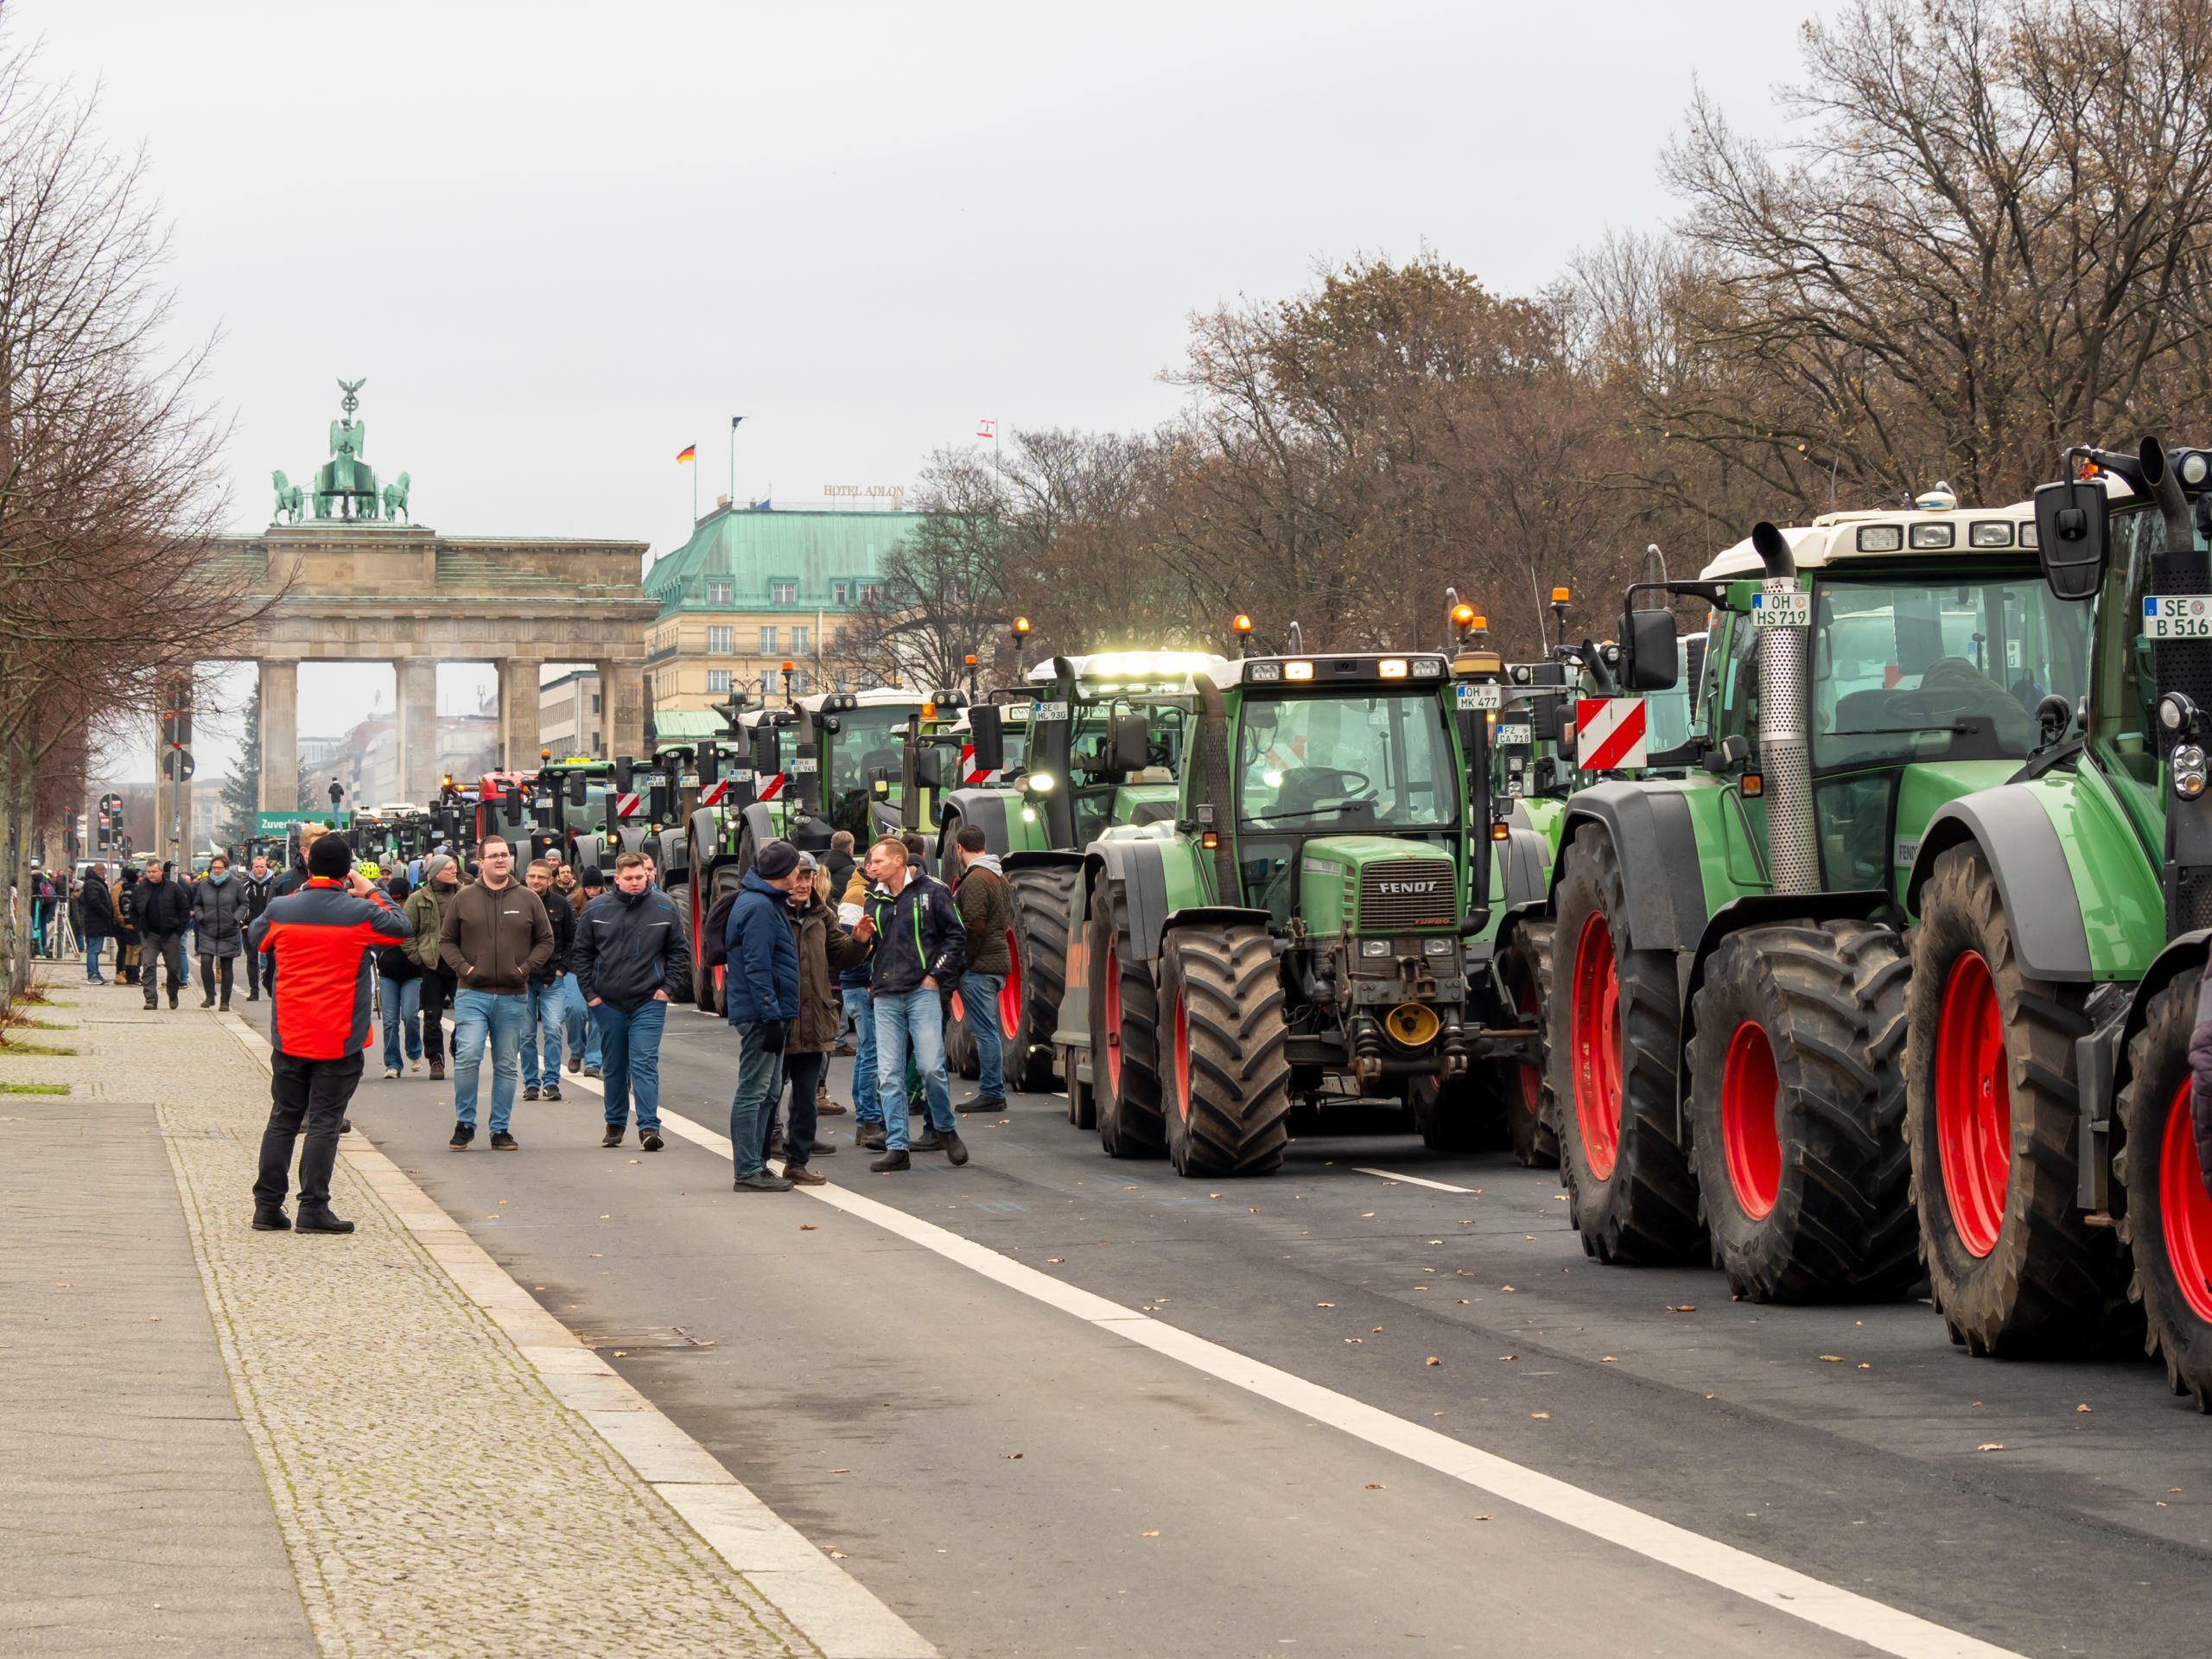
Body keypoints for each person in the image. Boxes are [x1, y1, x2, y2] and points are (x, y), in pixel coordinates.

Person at [249, 834, 410, 1235]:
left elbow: (255, 939)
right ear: (346, 870)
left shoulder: (282, 908)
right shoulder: (358, 911)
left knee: (283, 1119)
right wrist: (372, 889)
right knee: (324, 1121)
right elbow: (401, 928)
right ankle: (313, 1208)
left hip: (290, 1033)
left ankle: (267, 1207)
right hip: (338, 1036)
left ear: (308, 866)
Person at [858, 835, 968, 1173]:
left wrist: (935, 976)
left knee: (931, 1067)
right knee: (889, 1074)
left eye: (876, 861)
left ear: (897, 861)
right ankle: (897, 1146)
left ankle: (945, 1129)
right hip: (887, 994)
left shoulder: (932, 891)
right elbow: (867, 949)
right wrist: (859, 942)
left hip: (922, 992)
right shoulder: (872, 899)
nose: (870, 867)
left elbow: (956, 934)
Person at [438, 836, 553, 1151]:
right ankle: (465, 1123)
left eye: (505, 855)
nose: (501, 860)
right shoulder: (463, 899)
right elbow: (446, 941)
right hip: (472, 993)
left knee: (505, 1063)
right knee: (469, 1055)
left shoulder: (528, 898)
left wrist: (524, 969)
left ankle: (500, 1129)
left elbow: (546, 940)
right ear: (481, 861)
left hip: (513, 995)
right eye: (494, 856)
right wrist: (466, 969)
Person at [574, 851, 690, 1151]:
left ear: (647, 875)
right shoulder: (597, 909)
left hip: (649, 999)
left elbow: (679, 951)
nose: (636, 882)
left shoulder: (665, 906)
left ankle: (649, 1126)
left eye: (640, 877)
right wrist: (591, 995)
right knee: (614, 1065)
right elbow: (583, 954)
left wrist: (668, 988)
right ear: (617, 879)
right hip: (608, 1001)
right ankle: (614, 1123)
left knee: (644, 1061)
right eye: (629, 878)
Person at [774, 854, 869, 1185]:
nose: (802, 884)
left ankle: (797, 1161)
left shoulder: (822, 914)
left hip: (814, 1018)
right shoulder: (770, 913)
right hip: (780, 1020)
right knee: (769, 1092)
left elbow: (842, 957)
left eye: (808, 877)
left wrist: (858, 941)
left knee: (805, 1096)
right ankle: (761, 1154)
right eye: (797, 877)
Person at [725, 838, 804, 1191]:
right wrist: (771, 1015)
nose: (800, 876)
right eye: (797, 870)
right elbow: (758, 967)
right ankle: (747, 1170)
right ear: (786, 873)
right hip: (761, 1013)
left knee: (769, 1090)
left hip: (768, 1010)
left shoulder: (762, 901)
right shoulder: (758, 907)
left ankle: (756, 1164)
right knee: (754, 1090)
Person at [950, 824, 1013, 1113]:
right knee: (989, 1029)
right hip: (994, 961)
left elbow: (974, 924)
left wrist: (964, 960)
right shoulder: (998, 876)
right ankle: (992, 1090)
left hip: (980, 965)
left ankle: (991, 1091)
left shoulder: (976, 879)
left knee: (985, 1031)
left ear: (960, 849)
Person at [519, 857, 573, 1102]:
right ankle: (531, 1083)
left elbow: (573, 939)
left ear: (551, 880)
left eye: (541, 877)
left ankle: (551, 1081)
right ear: (525, 877)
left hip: (553, 979)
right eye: (532, 876)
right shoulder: (516, 902)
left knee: (552, 1030)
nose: (536, 881)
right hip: (522, 981)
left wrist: (562, 968)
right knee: (526, 1035)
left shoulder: (561, 904)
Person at [404, 854, 462, 1079]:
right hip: (433, 966)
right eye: (449, 868)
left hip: (461, 966)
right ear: (436, 873)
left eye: (455, 867)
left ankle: (458, 1049)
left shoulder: (466, 894)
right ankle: (435, 1058)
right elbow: (406, 931)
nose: (454, 871)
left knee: (466, 1016)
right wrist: (417, 957)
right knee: (432, 1016)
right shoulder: (417, 899)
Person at [376, 871, 423, 1079]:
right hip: (388, 973)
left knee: (410, 1015)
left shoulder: (416, 910)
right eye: (398, 900)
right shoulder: (383, 912)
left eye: (403, 899)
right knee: (389, 1021)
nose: (401, 904)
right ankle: (393, 1063)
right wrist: (377, 954)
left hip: (413, 972)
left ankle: (414, 1052)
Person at [191, 853, 251, 1012]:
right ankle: (210, 996)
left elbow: (244, 903)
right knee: (205, 961)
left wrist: (236, 918)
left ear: (225, 868)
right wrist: (201, 917)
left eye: (220, 867)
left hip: (228, 929)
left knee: (226, 965)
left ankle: (225, 1001)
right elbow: (197, 904)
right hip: (207, 928)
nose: (216, 870)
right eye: (214, 867)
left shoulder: (236, 884)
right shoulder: (203, 885)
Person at [567, 865, 607, 1076]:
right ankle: (576, 1050)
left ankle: (593, 1061)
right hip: (575, 966)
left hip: (601, 968)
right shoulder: (571, 905)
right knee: (574, 1010)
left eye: (596, 887)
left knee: (598, 1015)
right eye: (589, 887)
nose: (593, 891)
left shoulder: (610, 904)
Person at [135, 861, 191, 1010]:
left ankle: (173, 993)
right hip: (149, 934)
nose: (151, 874)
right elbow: (133, 910)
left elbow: (184, 909)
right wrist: (139, 928)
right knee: (148, 965)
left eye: (154, 871)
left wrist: (179, 930)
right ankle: (150, 999)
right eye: (149, 872)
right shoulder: (141, 889)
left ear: (161, 872)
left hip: (170, 933)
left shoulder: (174, 888)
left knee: (173, 968)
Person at [241, 853, 278, 1001]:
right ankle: (254, 991)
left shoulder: (274, 884)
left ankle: (269, 984)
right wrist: (242, 923)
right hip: (249, 927)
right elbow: (238, 904)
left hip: (270, 927)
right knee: (252, 959)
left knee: (272, 959)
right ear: (252, 868)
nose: (259, 869)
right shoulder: (244, 885)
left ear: (266, 867)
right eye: (256, 867)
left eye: (262, 866)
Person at [78, 861, 115, 985]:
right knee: (94, 949)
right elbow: (94, 901)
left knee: (95, 949)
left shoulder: (93, 883)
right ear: (100, 872)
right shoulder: (93, 884)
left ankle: (96, 974)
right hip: (95, 921)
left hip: (95, 921)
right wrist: (106, 912)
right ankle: (92, 974)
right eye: (103, 871)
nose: (105, 874)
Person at [113, 865, 142, 985]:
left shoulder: (122, 890)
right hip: (135, 923)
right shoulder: (137, 890)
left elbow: (118, 905)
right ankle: (134, 976)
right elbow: (139, 907)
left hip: (125, 922)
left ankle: (128, 974)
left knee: (129, 950)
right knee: (136, 951)